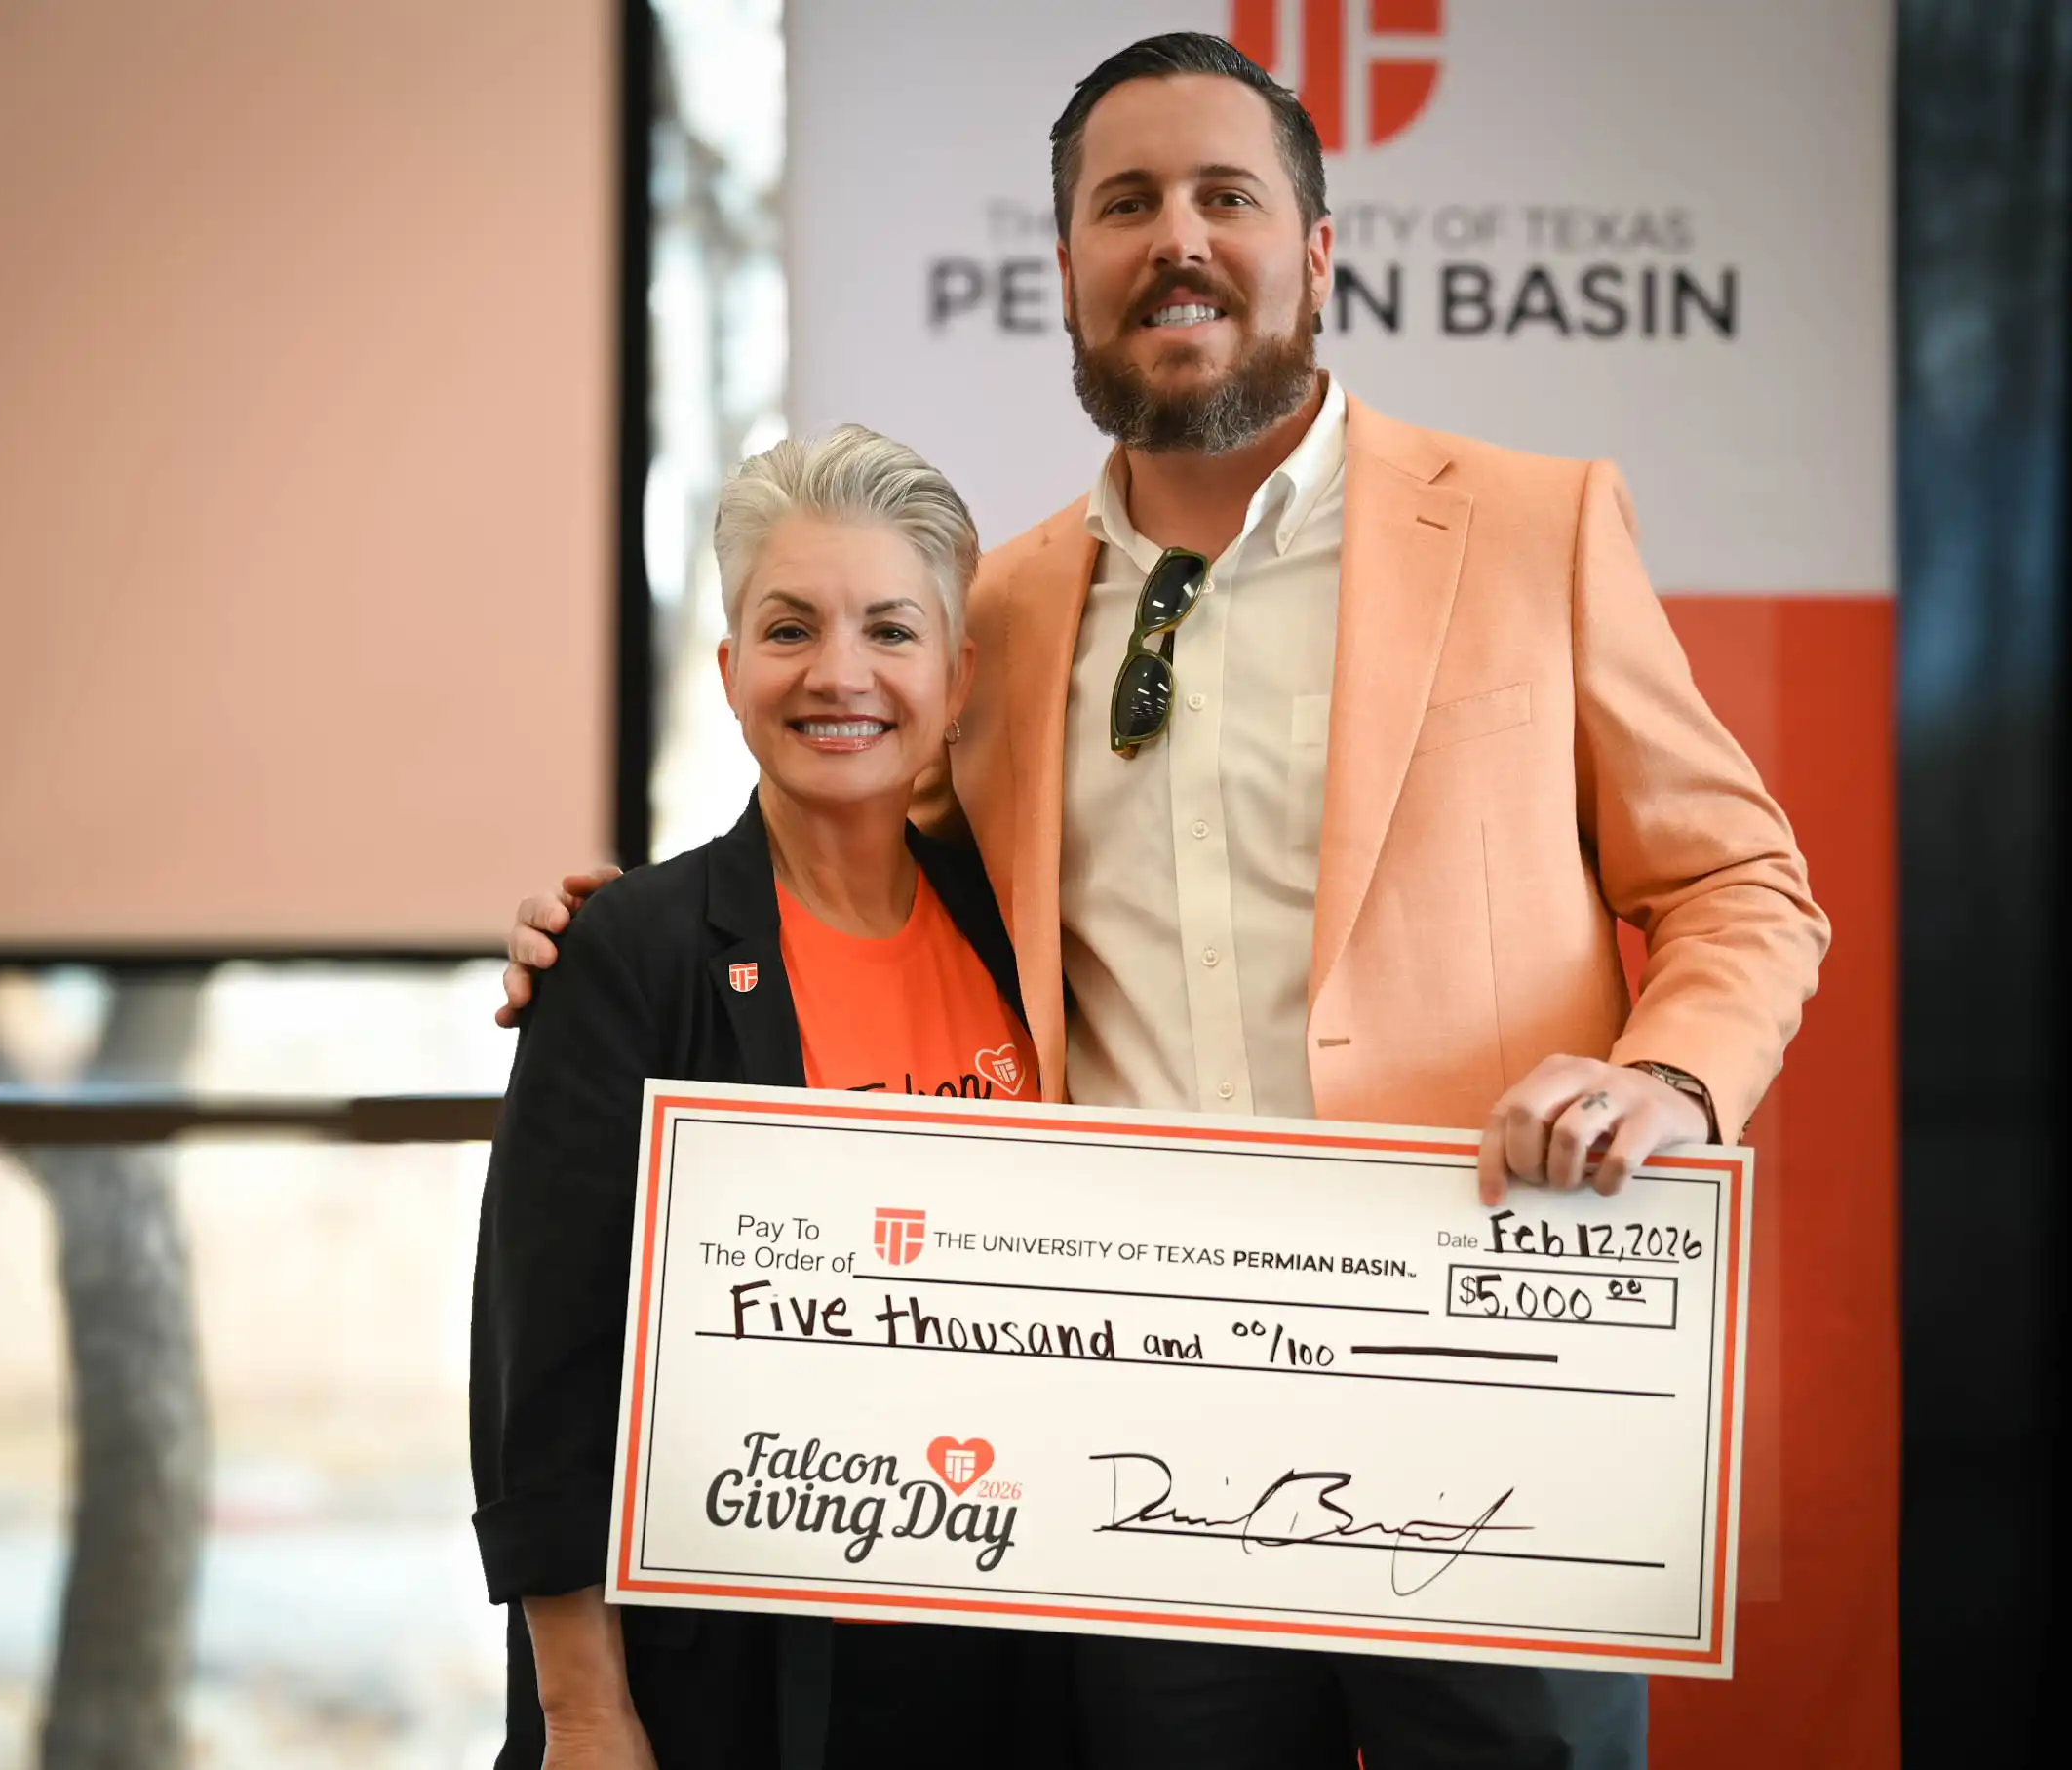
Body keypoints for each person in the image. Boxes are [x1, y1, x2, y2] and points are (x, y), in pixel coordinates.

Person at [498, 33, 1829, 1770]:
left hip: (1495, 1415)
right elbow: (846, 843)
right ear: (1065, 270)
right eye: (1124, 205)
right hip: (1138, 1474)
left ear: (1319, 250)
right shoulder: (1010, 607)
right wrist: (622, 935)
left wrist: (1667, 1081)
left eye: (1226, 196)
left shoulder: (1533, 528)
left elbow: (1744, 881)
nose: (1174, 238)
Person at [469, 425, 1069, 1770]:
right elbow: (543, 1369)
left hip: (1008, 1662)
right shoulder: (628, 953)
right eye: (790, 628)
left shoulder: (1028, 937)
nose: (839, 673)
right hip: (727, 1683)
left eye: (891, 630)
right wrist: (582, 1711)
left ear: (957, 674)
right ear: (734, 671)